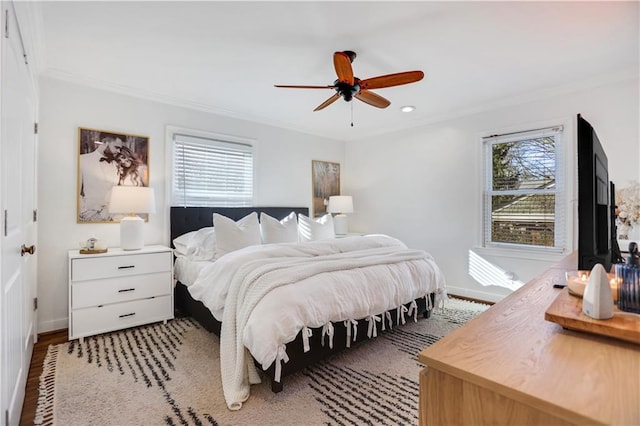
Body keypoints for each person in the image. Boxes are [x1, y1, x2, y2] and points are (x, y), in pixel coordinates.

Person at [79, 136, 124, 222]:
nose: (118, 151)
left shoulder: (116, 164)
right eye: (116, 147)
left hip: (111, 217)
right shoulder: (82, 159)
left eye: (120, 149)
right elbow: (75, 193)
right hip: (89, 216)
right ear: (105, 142)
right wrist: (85, 212)